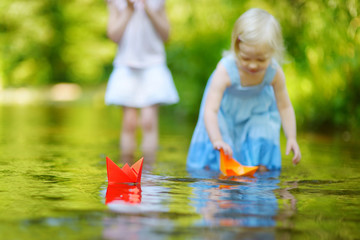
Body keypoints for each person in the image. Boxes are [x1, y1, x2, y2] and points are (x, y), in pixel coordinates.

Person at [187, 8, 301, 172]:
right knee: (222, 154)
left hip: (256, 113)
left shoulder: (274, 72)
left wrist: (291, 137)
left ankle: (258, 175)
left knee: (263, 131)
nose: (253, 65)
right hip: (225, 114)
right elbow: (210, 110)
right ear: (236, 48)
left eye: (261, 59)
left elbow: (284, 106)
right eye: (246, 58)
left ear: (273, 53)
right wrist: (217, 139)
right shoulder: (225, 71)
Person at [105, 0, 179, 163]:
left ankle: (148, 173)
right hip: (126, 65)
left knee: (148, 121)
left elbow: (166, 35)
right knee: (129, 123)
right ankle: (127, 168)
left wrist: (147, 8)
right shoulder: (116, 2)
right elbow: (113, 35)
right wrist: (129, 10)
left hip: (153, 65)